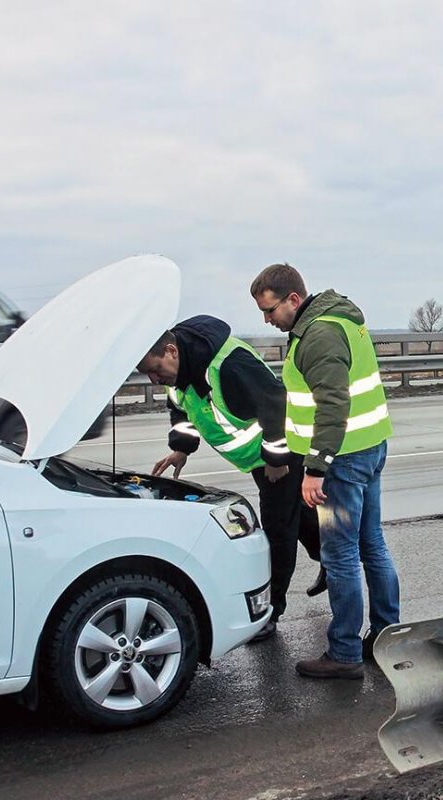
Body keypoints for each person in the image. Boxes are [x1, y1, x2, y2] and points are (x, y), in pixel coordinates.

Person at [250, 264, 398, 680]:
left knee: (340, 554)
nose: (267, 320)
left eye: (270, 310)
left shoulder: (318, 335)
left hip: (341, 463)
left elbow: (333, 404)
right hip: (368, 449)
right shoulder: (340, 321)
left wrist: (315, 469)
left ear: (294, 300)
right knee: (372, 544)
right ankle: (387, 635)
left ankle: (345, 651)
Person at [137, 314, 324, 643]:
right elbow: (182, 410)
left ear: (171, 351)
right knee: (302, 517)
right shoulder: (179, 376)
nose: (155, 380)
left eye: (155, 369)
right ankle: (334, 565)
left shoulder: (229, 364)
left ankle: (271, 612)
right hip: (258, 458)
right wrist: (182, 448)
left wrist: (277, 457)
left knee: (278, 531)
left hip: (281, 453)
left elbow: (275, 403)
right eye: (148, 374)